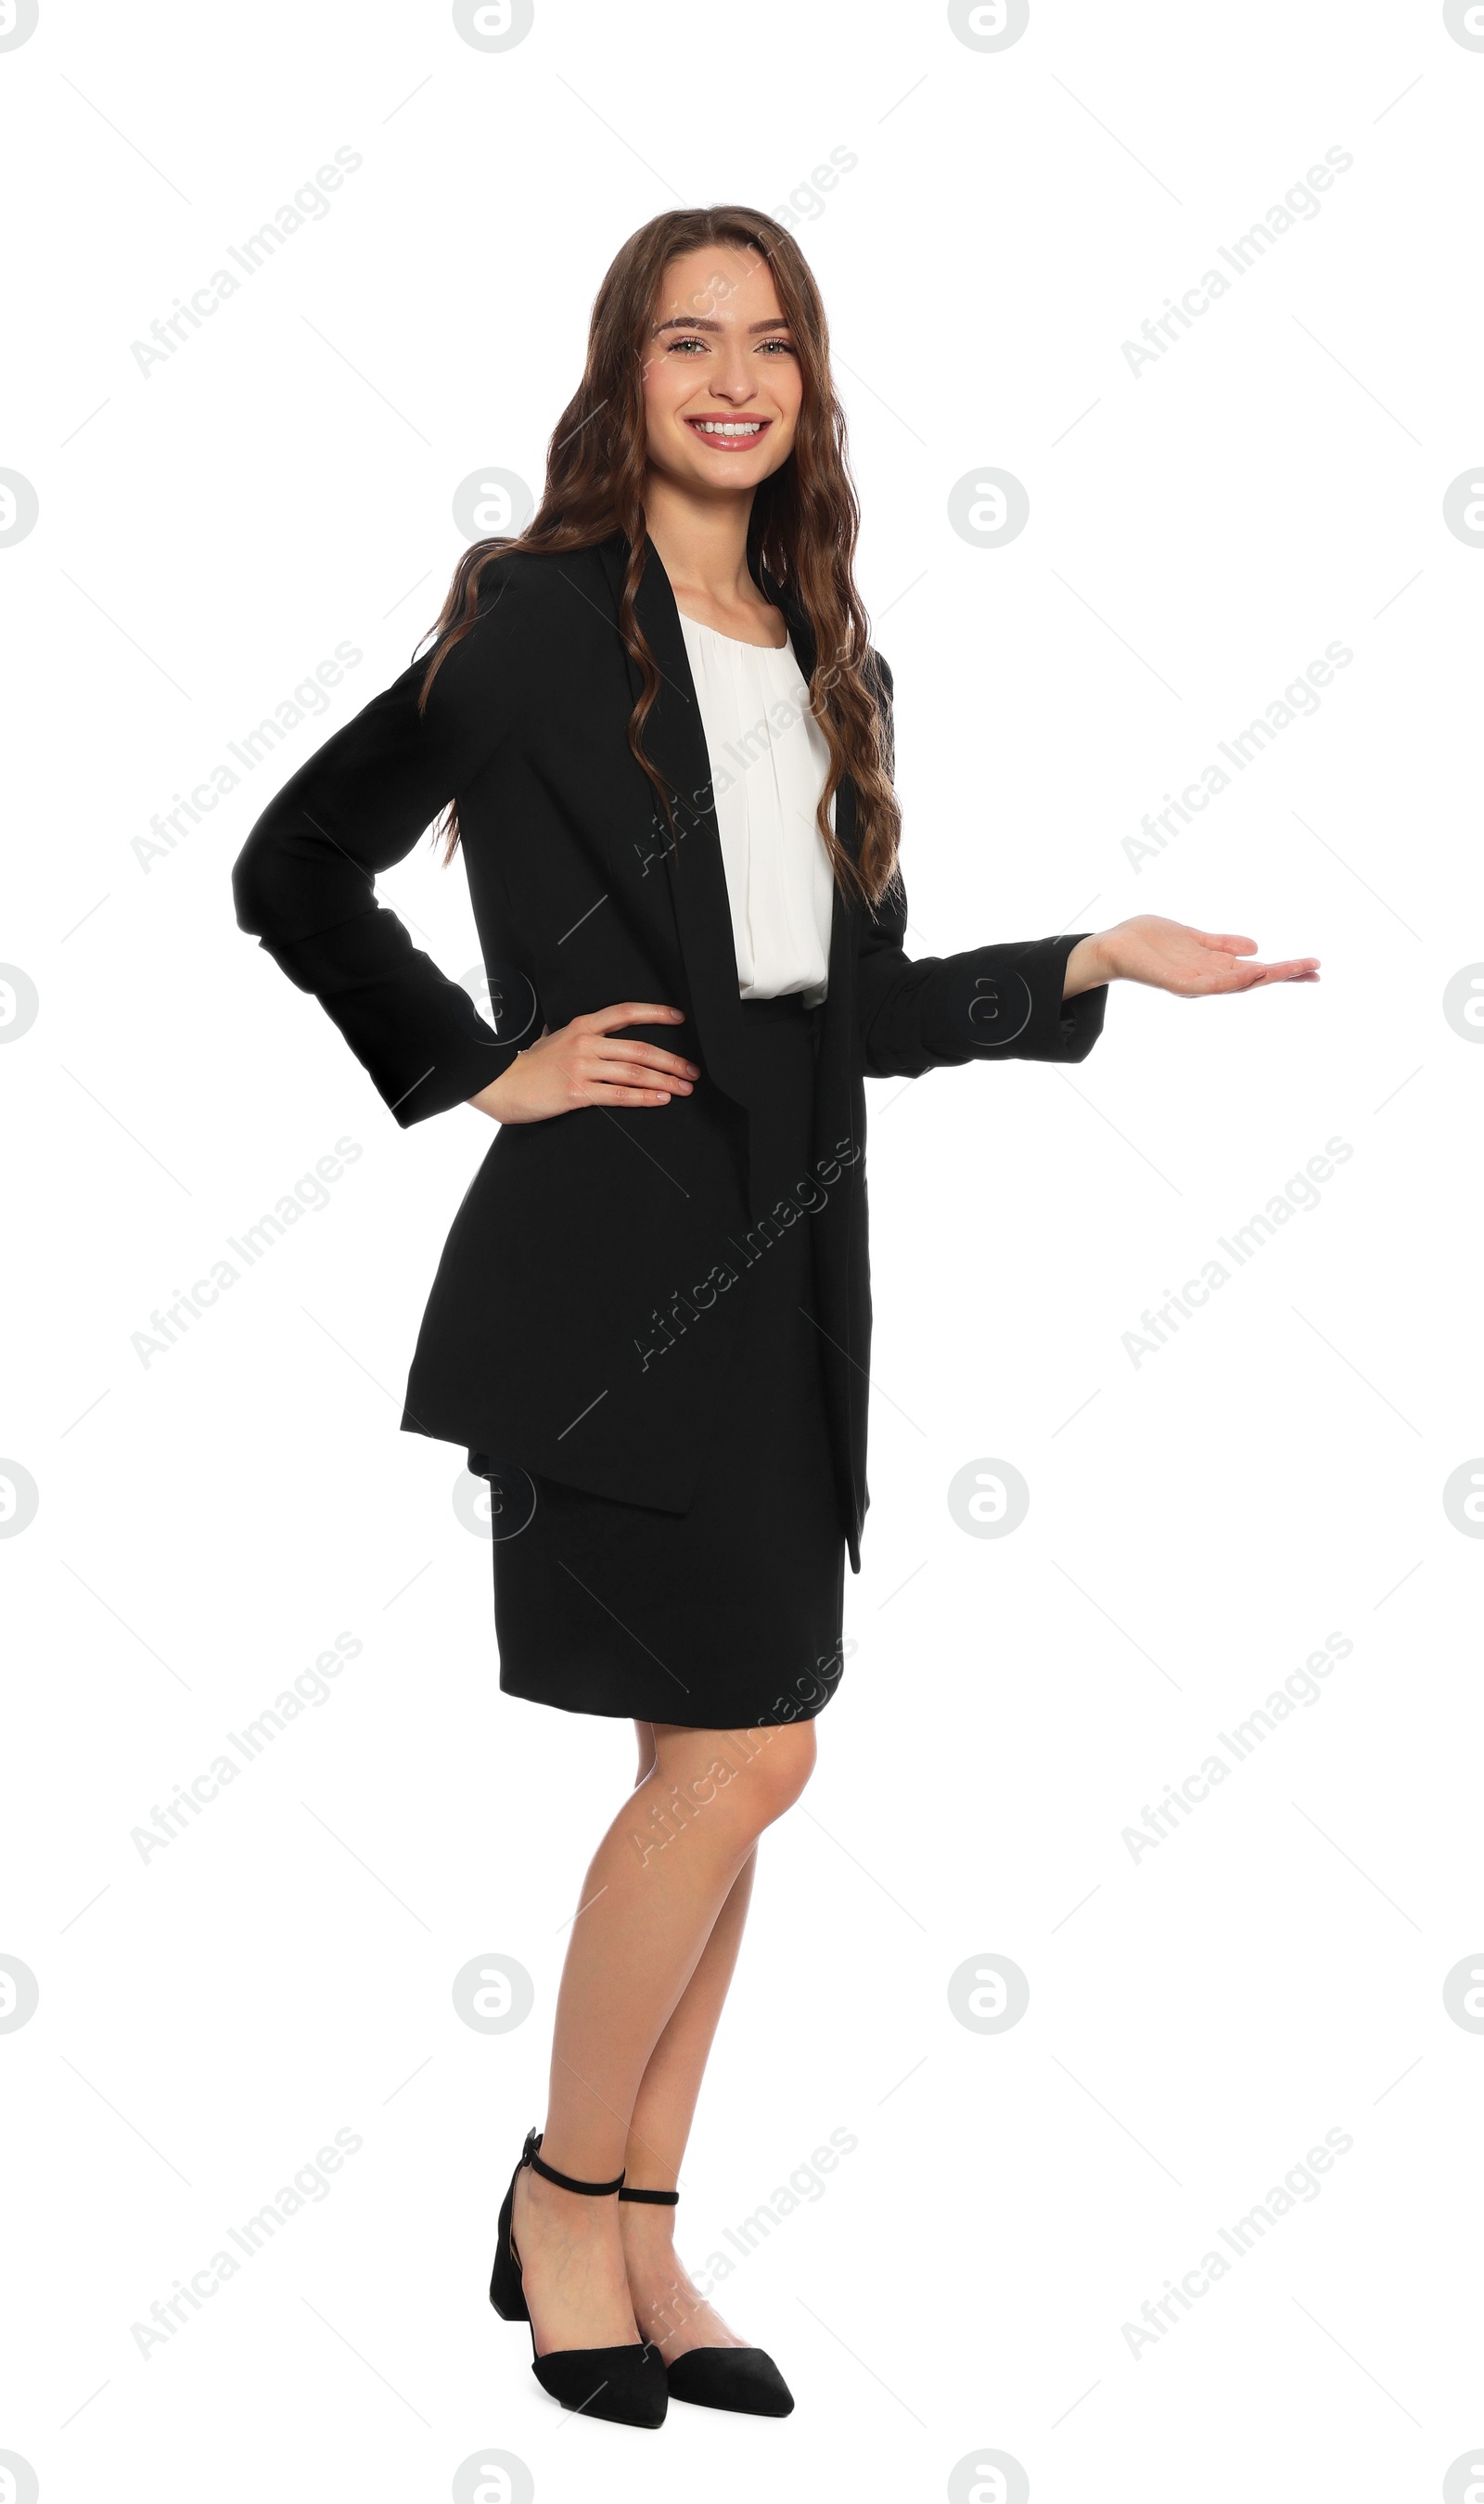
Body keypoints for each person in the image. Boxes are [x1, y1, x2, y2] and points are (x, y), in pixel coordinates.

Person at [231, 204, 1318, 2430]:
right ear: (619, 374)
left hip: (790, 1284)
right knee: (742, 1757)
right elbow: (291, 863)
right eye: (682, 341)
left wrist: (1089, 962)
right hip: (604, 1282)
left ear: (808, 387)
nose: (730, 379)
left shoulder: (828, 649)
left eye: (770, 345)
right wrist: (469, 1062)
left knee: (723, 1773)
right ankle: (555, 2199)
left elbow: (848, 1016)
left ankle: (637, 2226)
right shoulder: (534, 621)